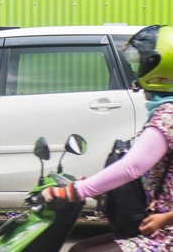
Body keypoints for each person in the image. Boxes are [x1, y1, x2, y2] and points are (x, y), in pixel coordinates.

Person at [42, 25, 173, 251]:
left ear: (156, 67)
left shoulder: (168, 116)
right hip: (159, 226)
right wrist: (91, 184)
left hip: (165, 236)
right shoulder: (164, 112)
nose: (136, 69)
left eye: (140, 62)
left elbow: (132, 167)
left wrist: (77, 191)